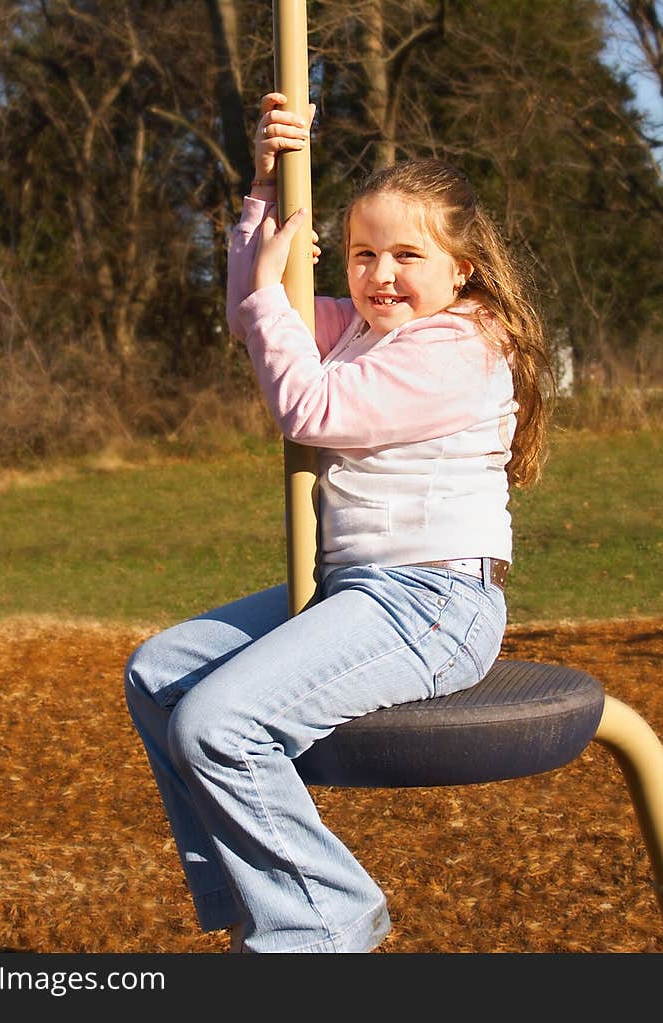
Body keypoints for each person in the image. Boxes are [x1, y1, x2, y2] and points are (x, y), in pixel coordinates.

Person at [124, 92, 552, 953]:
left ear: (461, 267)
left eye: (406, 255)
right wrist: (262, 190)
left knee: (220, 724)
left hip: (432, 601)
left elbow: (307, 407)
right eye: (362, 254)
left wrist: (274, 304)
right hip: (356, 591)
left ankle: (321, 914)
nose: (379, 274)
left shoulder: (461, 345)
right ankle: (266, 895)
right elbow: (257, 319)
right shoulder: (361, 329)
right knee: (160, 673)